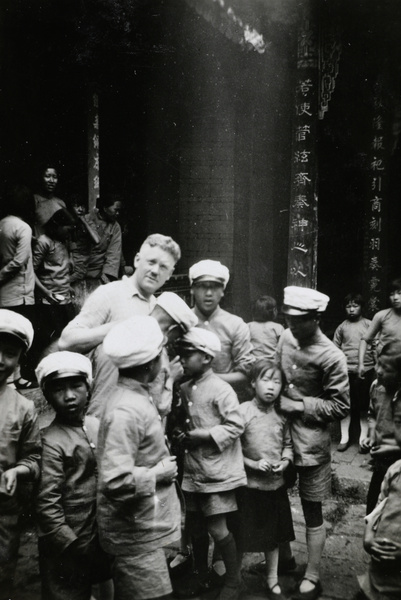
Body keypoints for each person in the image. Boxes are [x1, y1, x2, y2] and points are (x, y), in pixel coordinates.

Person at [97, 315, 181, 600]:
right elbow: (115, 481)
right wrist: (157, 474)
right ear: (151, 365)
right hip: (134, 537)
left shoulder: (136, 395)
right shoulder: (126, 411)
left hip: (144, 527)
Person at [276, 286, 350, 600]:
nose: (291, 324)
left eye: (298, 320)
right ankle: (284, 560)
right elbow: (275, 377)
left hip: (312, 444)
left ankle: (313, 574)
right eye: (288, 318)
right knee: (276, 500)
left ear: (316, 318)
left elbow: (341, 406)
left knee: (312, 508)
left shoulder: (332, 355)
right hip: (277, 436)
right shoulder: (284, 338)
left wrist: (302, 405)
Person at [35, 351, 112, 600]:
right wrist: (70, 543)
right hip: (68, 545)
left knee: (105, 584)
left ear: (88, 388)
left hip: (100, 535)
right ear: (47, 395)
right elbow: (47, 504)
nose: (69, 396)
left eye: (76, 386)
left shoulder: (95, 425)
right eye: (58, 389)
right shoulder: (50, 441)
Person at [176, 327, 246, 600]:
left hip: (217, 472)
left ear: (206, 358)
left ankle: (233, 580)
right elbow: (185, 422)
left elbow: (236, 425)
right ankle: (201, 575)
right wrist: (183, 434)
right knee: (194, 525)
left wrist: (204, 435)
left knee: (218, 527)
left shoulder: (221, 389)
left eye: (187, 354)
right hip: (194, 471)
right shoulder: (184, 387)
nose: (181, 359)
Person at [87, 290, 197, 418]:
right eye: (177, 336)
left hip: (95, 422)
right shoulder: (154, 354)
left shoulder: (115, 334)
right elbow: (159, 407)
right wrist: (171, 379)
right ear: (172, 330)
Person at [237, 360, 294, 600]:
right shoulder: (243, 411)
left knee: (272, 538)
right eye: (265, 380)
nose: (271, 386)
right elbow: (233, 450)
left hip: (274, 487)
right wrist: (253, 464)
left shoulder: (282, 415)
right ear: (253, 383)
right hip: (249, 488)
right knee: (241, 534)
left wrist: (285, 461)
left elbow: (288, 445)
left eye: (277, 381)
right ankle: (234, 578)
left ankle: (272, 579)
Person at [0, 310, 41, 600]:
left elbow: (34, 457)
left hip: (4, 512)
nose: (0, 360)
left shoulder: (24, 408)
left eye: (9, 354)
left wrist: (18, 471)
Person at [357, 391, 401, 600]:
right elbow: (379, 508)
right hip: (376, 584)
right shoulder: (396, 470)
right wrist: (369, 537)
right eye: (398, 422)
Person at [189, 259, 254, 394]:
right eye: (202, 286)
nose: (208, 293)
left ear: (223, 291)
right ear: (192, 289)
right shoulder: (182, 322)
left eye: (214, 287)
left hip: (223, 399)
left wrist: (207, 379)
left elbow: (245, 372)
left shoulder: (235, 325)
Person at [0, 184, 37, 386]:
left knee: (4, 337)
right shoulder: (23, 227)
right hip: (19, 291)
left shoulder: (2, 224)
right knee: (16, 338)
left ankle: (14, 380)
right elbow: (19, 261)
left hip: (4, 293)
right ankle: (15, 381)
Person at [360, 342, 401, 515]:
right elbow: (372, 414)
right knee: (373, 511)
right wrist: (370, 435)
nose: (378, 369)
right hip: (381, 465)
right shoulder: (376, 387)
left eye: (385, 367)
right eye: (378, 362)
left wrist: (391, 447)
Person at [32, 206, 76, 368]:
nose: (69, 233)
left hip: (64, 298)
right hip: (49, 301)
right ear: (57, 226)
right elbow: (32, 271)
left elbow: (61, 268)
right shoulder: (44, 242)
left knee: (67, 336)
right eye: (66, 229)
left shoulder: (63, 242)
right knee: (51, 338)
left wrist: (68, 285)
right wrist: (45, 292)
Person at [333, 293, 375, 452]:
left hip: (366, 370)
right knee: (346, 405)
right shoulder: (342, 327)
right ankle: (345, 438)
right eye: (348, 306)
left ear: (361, 307)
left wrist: (376, 366)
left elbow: (376, 346)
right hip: (346, 371)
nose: (351, 309)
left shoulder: (369, 324)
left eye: (355, 305)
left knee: (364, 406)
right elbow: (334, 348)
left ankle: (363, 439)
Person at [70, 194, 124, 304]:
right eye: (115, 210)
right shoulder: (87, 218)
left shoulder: (115, 227)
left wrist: (105, 281)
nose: (117, 214)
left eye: (119, 211)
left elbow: (113, 256)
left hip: (98, 275)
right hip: (76, 271)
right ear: (104, 208)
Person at [358, 277, 401, 377]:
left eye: (399, 293)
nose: (395, 297)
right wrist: (361, 364)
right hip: (384, 369)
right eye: (391, 294)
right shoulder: (381, 315)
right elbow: (365, 340)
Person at [247, 296, 284, 361]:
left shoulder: (249, 326)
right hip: (272, 364)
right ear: (274, 311)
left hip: (254, 363)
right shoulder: (278, 327)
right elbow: (282, 349)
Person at [34, 165, 67, 237]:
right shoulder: (34, 200)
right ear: (41, 178)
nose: (51, 181)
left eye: (54, 177)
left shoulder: (60, 203)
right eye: (47, 176)